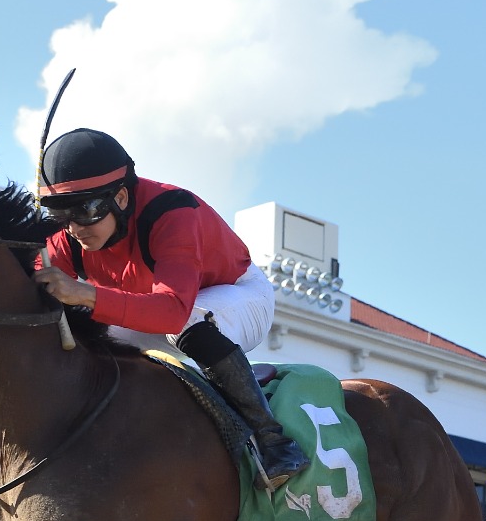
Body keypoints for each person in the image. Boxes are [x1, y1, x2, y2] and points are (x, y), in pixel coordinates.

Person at [33, 128, 310, 489]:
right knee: (90, 336)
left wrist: (83, 294)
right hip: (157, 309)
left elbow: (172, 312)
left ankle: (273, 442)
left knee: (184, 322)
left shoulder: (173, 212)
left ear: (120, 196)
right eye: (62, 214)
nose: (75, 229)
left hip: (235, 297)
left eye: (85, 211)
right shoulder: (69, 236)